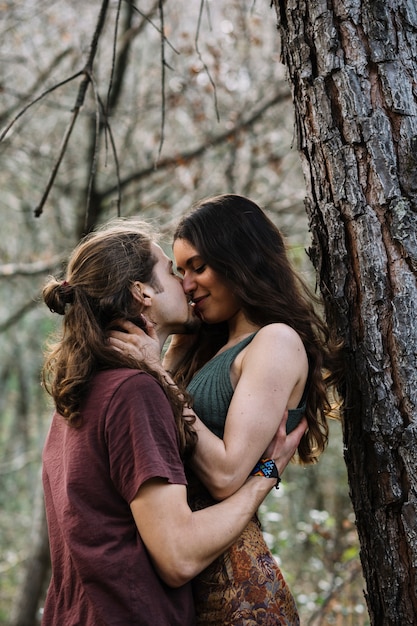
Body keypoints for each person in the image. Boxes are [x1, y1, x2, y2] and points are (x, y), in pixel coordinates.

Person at [40, 218, 306, 626]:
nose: (185, 284)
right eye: (172, 270)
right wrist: (265, 477)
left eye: (194, 269)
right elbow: (178, 556)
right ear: (141, 292)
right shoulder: (133, 392)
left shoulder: (77, 396)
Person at [110, 194, 344, 625]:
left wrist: (159, 376)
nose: (186, 284)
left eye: (198, 267)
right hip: (183, 585)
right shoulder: (203, 344)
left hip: (239, 595)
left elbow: (224, 476)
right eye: (180, 272)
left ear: (241, 259)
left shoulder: (275, 342)